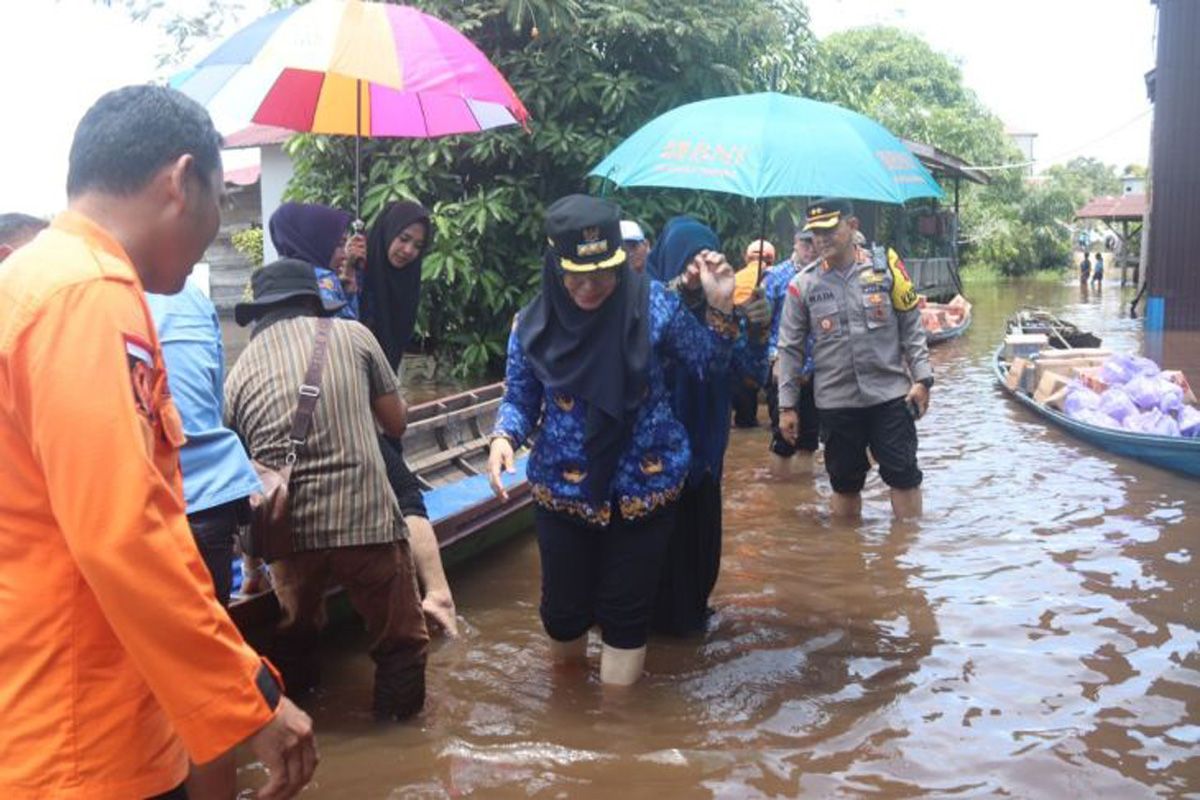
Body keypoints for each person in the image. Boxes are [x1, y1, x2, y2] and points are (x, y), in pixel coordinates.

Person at [0, 84, 314, 800]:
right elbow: (124, 534)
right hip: (83, 743)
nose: (217, 227)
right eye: (217, 199)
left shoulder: (31, 281)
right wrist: (249, 701)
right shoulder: (86, 294)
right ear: (181, 180)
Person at [486, 195, 737, 684]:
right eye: (575, 275)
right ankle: (571, 716)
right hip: (563, 491)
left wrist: (720, 305)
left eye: (601, 273)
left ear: (621, 263)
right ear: (554, 266)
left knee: (626, 617)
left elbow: (708, 364)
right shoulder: (531, 325)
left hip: (643, 491)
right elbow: (520, 396)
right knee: (561, 616)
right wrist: (503, 437)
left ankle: (617, 736)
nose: (588, 286)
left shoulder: (656, 306)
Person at [225, 258, 431, 720]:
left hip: (288, 538)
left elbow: (244, 481)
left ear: (260, 314)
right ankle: (400, 747)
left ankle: (303, 729)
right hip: (367, 522)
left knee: (294, 640)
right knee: (401, 644)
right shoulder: (354, 335)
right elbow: (396, 422)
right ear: (317, 302)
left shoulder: (237, 374)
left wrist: (253, 567)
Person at [646, 217, 770, 634]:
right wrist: (685, 290)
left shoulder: (725, 314)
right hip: (654, 466)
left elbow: (750, 380)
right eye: (688, 260)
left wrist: (756, 330)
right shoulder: (652, 311)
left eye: (706, 258)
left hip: (706, 459)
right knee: (655, 572)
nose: (699, 270)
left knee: (700, 566)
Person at [777, 198, 932, 520]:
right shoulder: (802, 285)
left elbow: (910, 323)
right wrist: (787, 406)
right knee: (844, 483)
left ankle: (904, 558)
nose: (821, 239)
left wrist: (922, 379)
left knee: (903, 474)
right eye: (815, 232)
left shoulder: (885, 268)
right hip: (836, 400)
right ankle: (848, 559)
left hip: (889, 394)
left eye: (829, 229)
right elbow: (790, 349)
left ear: (852, 226)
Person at [359, 201, 458, 636]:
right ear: (385, 236)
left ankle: (402, 580)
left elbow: (387, 355)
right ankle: (436, 594)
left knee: (393, 466)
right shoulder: (355, 274)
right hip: (350, 402)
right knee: (403, 489)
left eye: (417, 245)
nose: (407, 251)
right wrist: (352, 276)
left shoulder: (404, 283)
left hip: (380, 398)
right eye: (402, 239)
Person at [145, 278, 262, 607]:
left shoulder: (79, 302)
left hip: (151, 507)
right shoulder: (189, 294)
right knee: (212, 628)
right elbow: (215, 403)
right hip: (211, 493)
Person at [763, 228, 820, 470]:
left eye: (814, 243)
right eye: (805, 243)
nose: (810, 248)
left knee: (809, 439)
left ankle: (803, 496)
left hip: (817, 370)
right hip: (783, 368)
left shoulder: (826, 276)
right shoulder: (775, 277)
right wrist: (772, 358)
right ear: (795, 243)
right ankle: (780, 495)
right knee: (784, 438)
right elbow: (760, 327)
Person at [268, 201, 364, 318]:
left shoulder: (274, 282)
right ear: (317, 243)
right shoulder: (323, 279)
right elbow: (349, 333)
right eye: (339, 244)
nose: (344, 255)